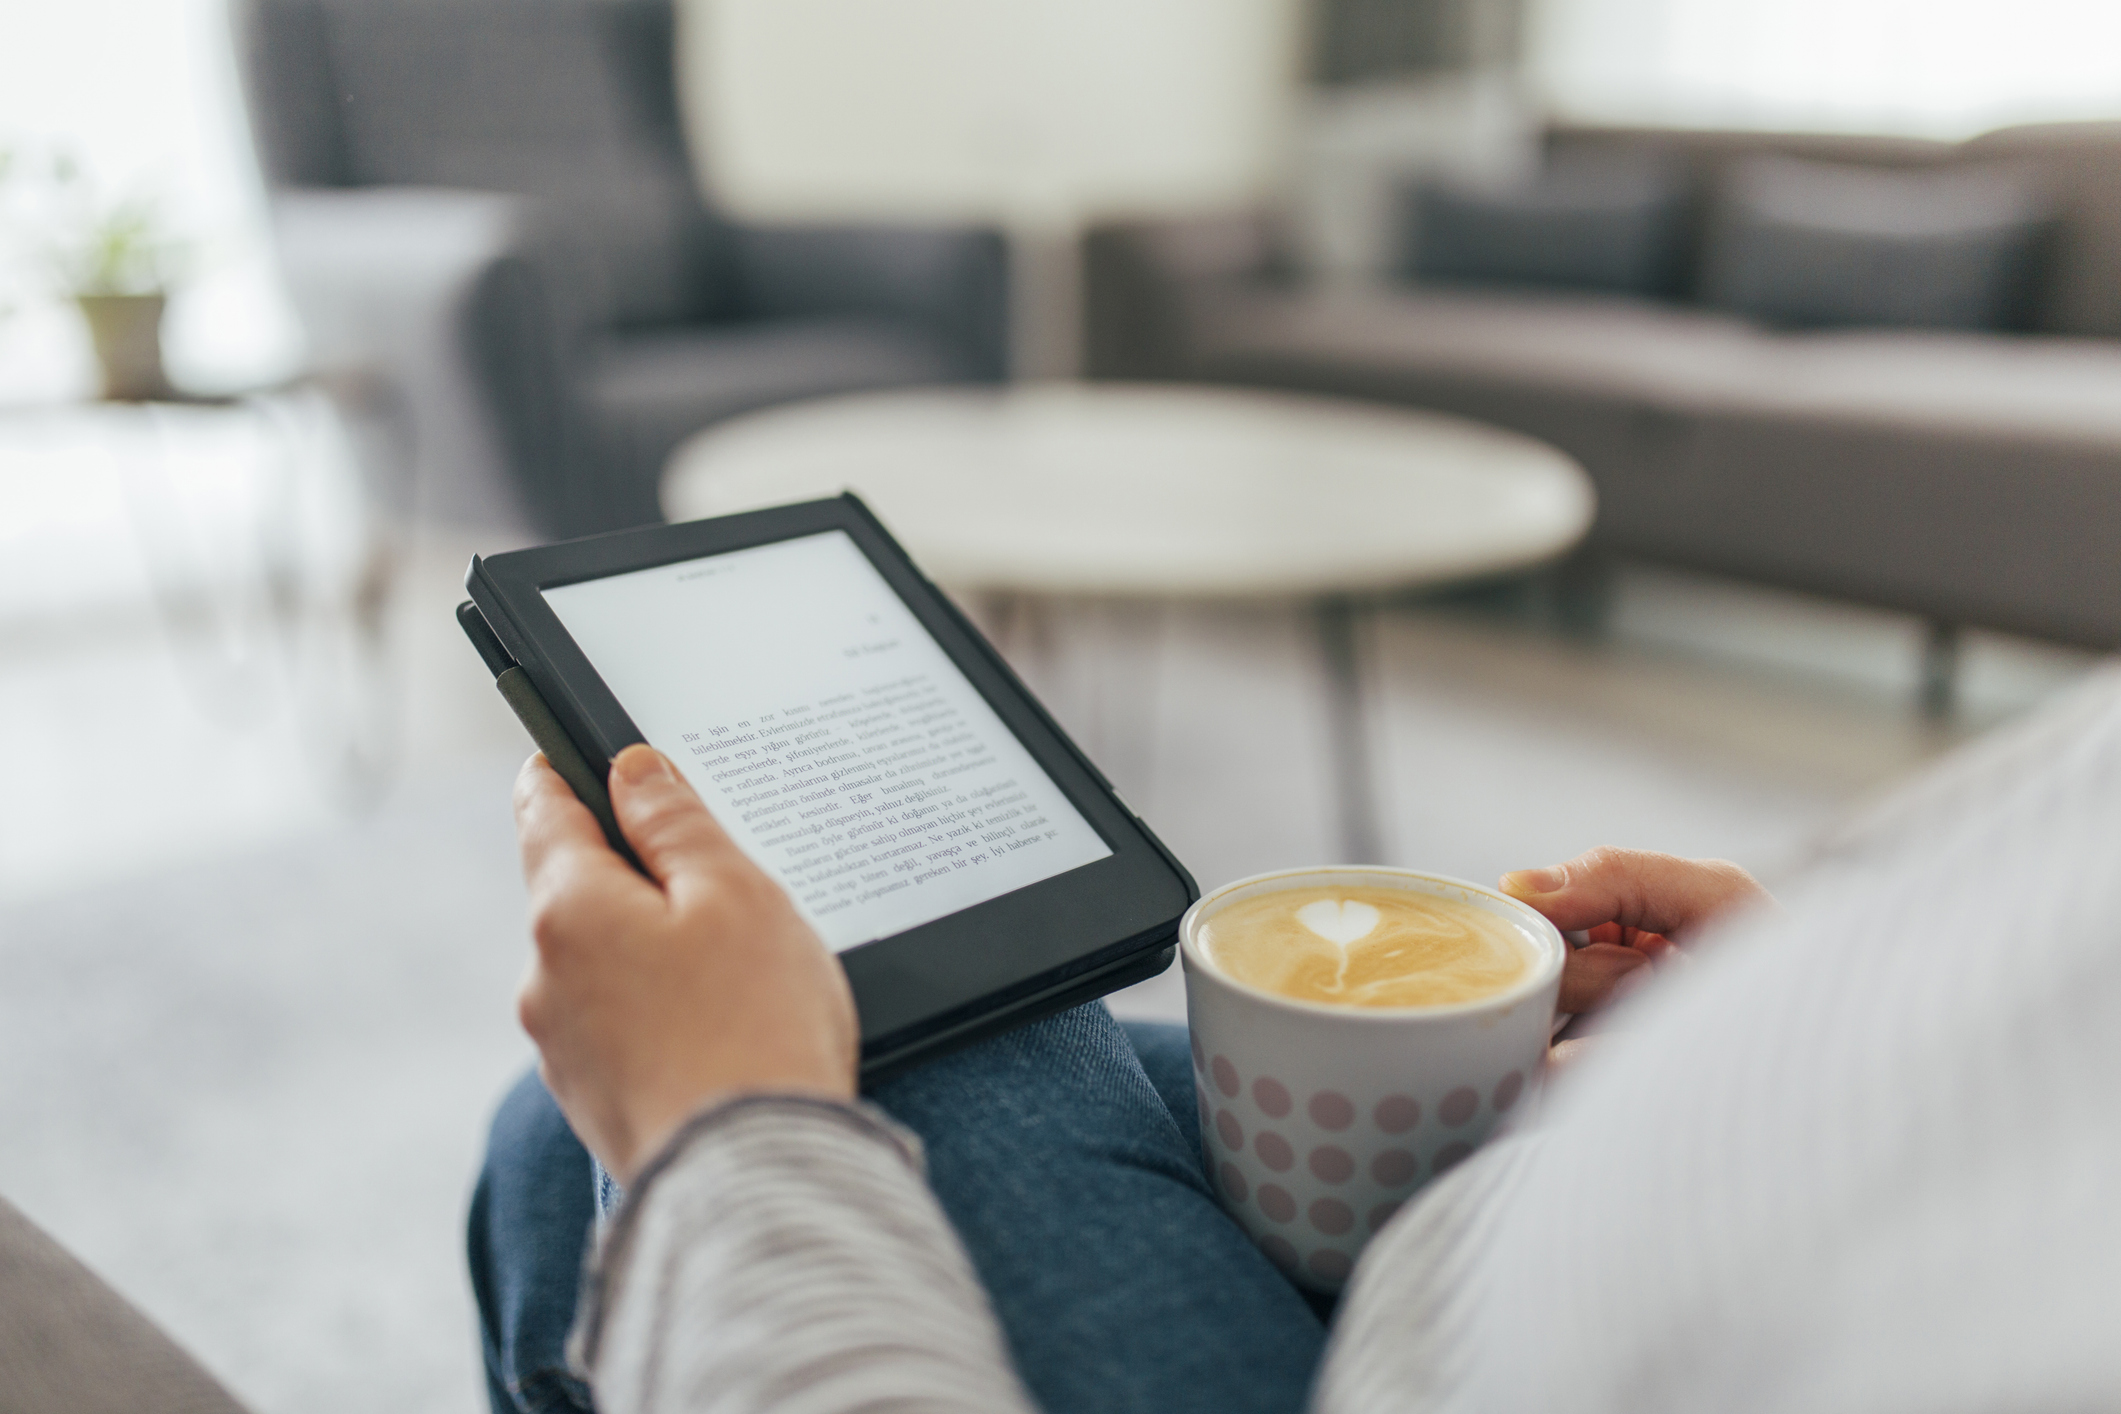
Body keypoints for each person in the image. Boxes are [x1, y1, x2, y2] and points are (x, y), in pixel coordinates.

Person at [472, 668, 2121, 1414]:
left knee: (718, 1070)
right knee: (562, 1132)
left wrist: (733, 1137)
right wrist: (1810, 1029)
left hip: (1461, 1348)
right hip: (1523, 1226)